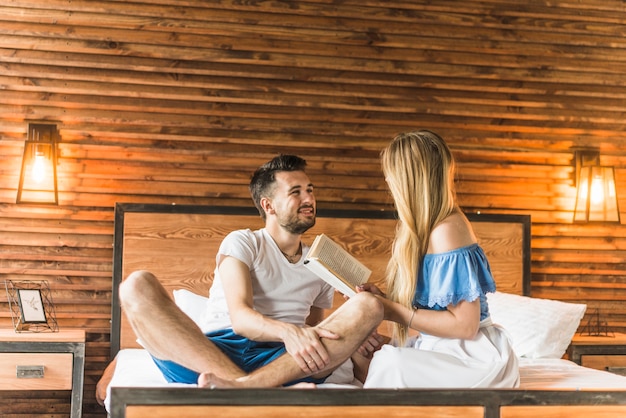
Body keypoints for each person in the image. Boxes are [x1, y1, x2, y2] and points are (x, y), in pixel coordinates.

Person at [99, 154, 383, 397]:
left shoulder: (319, 260)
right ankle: (262, 393)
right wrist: (288, 331)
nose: (309, 198)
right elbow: (241, 319)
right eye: (295, 192)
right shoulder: (243, 242)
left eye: (310, 190)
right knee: (136, 285)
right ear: (268, 205)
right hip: (214, 353)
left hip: (282, 362)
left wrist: (356, 331)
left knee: (369, 305)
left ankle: (242, 390)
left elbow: (314, 335)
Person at [357, 130, 520, 389]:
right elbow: (436, 308)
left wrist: (388, 309)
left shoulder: (446, 231)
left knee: (390, 362)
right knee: (369, 355)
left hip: (474, 355)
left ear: (408, 180)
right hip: (446, 347)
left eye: (391, 174)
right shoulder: (424, 232)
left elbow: (466, 326)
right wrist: (385, 300)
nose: (387, 180)